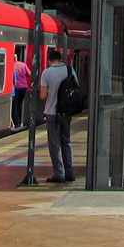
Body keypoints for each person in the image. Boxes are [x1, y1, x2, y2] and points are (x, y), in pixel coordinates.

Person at [37, 51, 76, 183]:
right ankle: (69, 172)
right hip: (66, 113)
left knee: (54, 145)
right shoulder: (69, 70)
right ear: (60, 59)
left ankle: (59, 173)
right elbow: (76, 87)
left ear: (49, 60)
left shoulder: (46, 73)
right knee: (66, 142)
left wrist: (49, 91)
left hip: (52, 113)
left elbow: (42, 96)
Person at [12, 54, 31, 128]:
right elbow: (29, 74)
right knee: (20, 104)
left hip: (16, 88)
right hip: (24, 87)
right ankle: (20, 121)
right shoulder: (23, 65)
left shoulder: (11, 66)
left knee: (15, 105)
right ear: (16, 58)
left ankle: (17, 123)